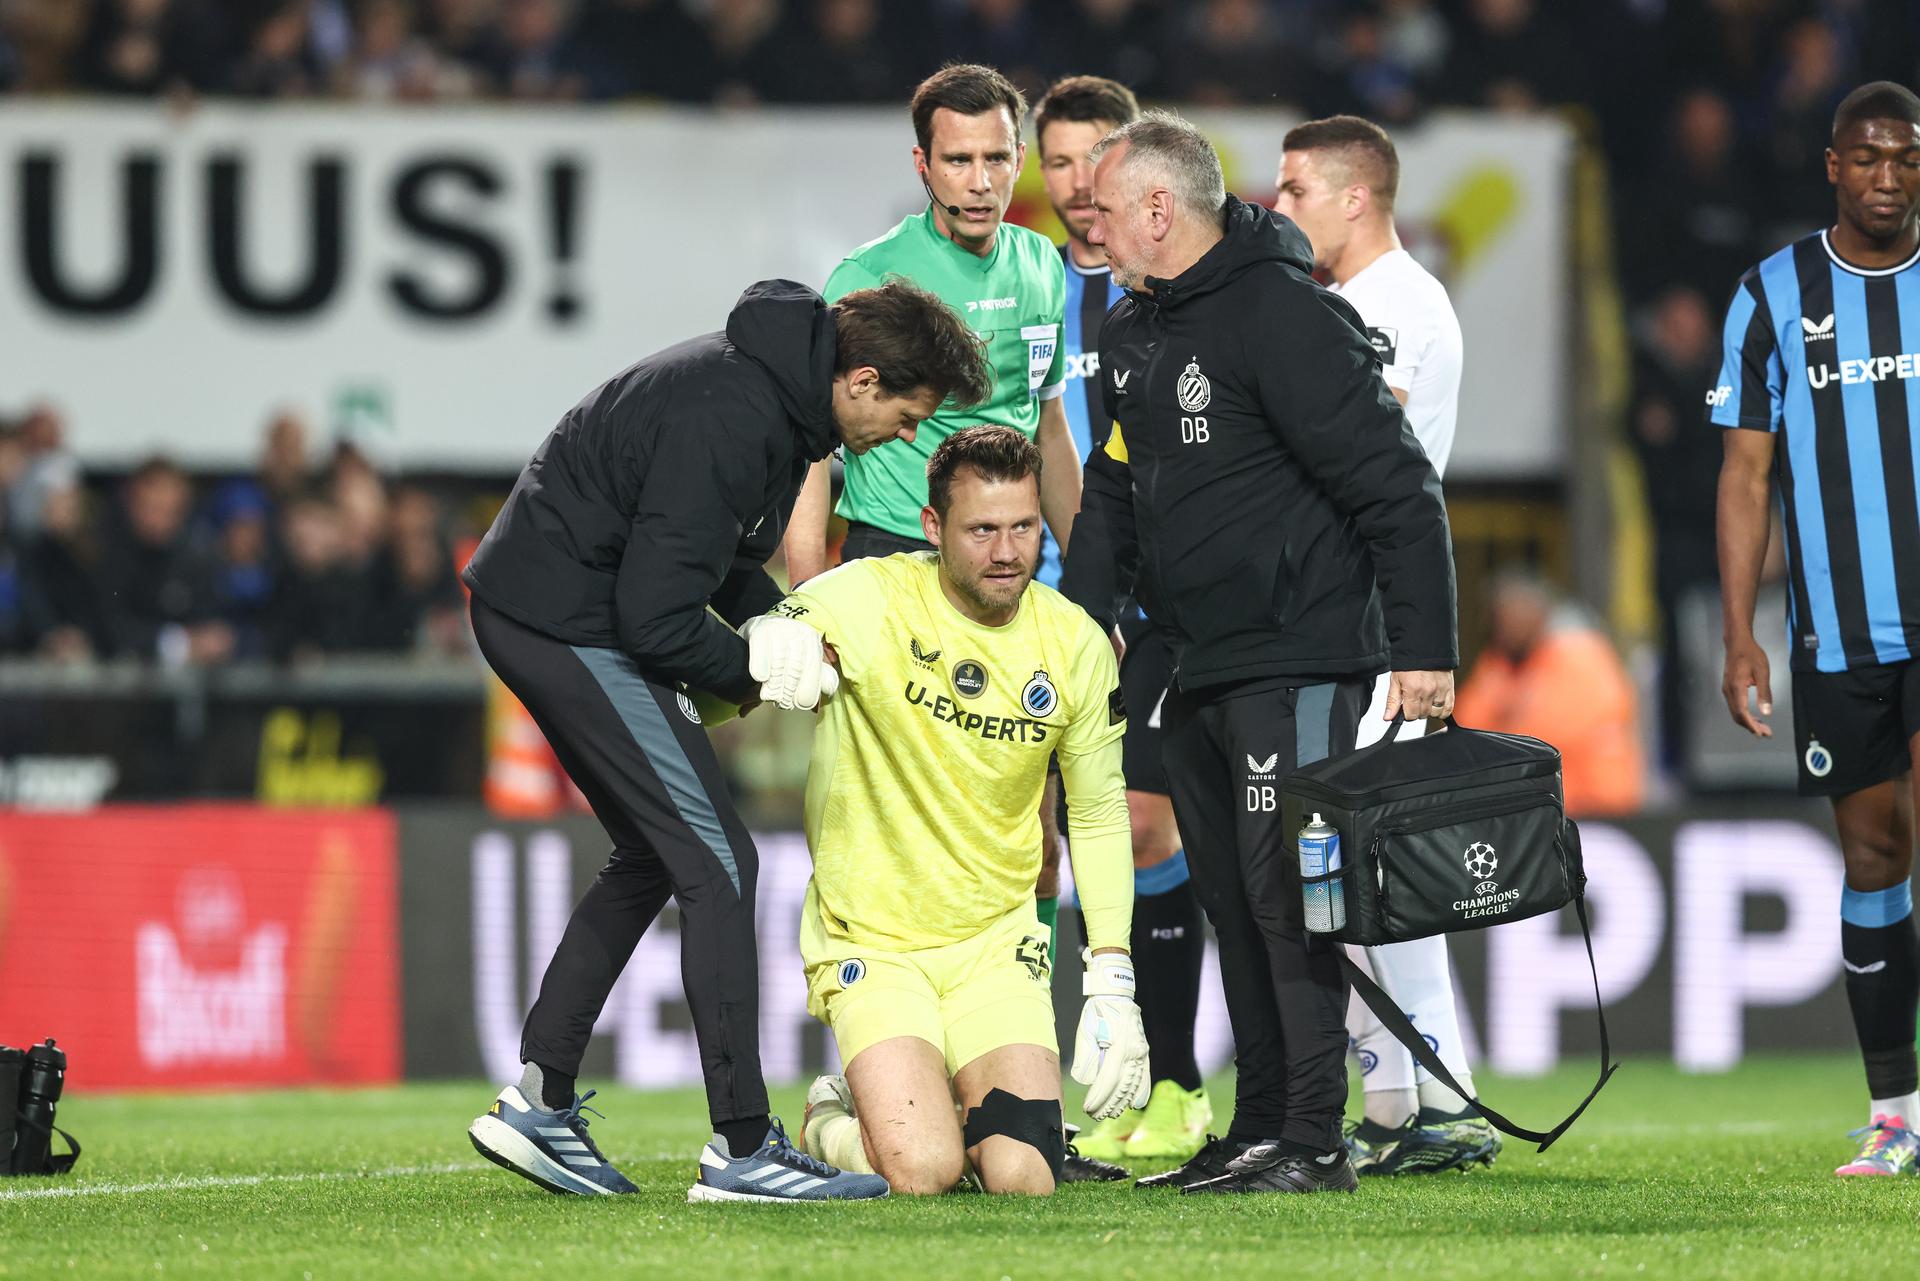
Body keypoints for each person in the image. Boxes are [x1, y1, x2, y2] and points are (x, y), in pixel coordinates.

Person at [461, 277, 990, 1202]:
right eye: (907, 417)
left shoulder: (776, 404)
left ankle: (540, 1097)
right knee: (721, 861)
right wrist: (760, 668)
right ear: (861, 381)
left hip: (549, 604)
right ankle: (742, 1146)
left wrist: (786, 622)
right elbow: (656, 618)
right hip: (562, 618)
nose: (907, 438)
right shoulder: (739, 414)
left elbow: (718, 566)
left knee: (657, 854)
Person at [1065, 111, 1457, 1195]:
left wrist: (1425, 648)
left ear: (1157, 208)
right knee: (1235, 898)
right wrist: (1084, 618)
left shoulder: (1285, 313)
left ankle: (1315, 1138)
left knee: (1290, 890)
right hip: (1194, 662)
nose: (1087, 224)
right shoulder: (1136, 328)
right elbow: (1111, 490)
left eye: (1103, 205)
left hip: (1299, 652)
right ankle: (1262, 1128)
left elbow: (1397, 485)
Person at [782, 60, 1085, 1063]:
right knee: (884, 844)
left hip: (1009, 578)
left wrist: (1086, 585)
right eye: (957, 159)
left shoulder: (1045, 271)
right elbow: (814, 456)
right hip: (889, 568)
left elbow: (1048, 436)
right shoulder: (864, 285)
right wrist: (803, 604)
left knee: (1031, 837)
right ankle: (870, 1073)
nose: (980, 179)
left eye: (998, 156)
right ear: (922, 163)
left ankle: (1018, 1078)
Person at [768, 426, 1147, 1196]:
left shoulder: (1074, 642)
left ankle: (930, 1105)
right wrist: (777, 645)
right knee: (924, 1170)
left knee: (1024, 1177)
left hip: (995, 944)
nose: (1007, 551)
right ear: (933, 526)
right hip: (874, 939)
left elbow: (1101, 812)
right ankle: (828, 1119)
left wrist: (1111, 973)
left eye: (1024, 527)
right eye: (982, 530)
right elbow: (770, 632)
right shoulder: (869, 596)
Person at [1273, 114, 1493, 1176]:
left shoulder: (1395, 308)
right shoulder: (1350, 304)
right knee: (1350, 866)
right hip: (1344, 617)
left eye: (1294, 189)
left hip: (1366, 621)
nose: (1279, 207)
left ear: (1355, 197)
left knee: (1368, 862)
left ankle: (1441, 1095)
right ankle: (1409, 1099)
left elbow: (1365, 454)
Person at [1713, 80, 1920, 1178]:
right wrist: (1742, 632)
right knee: (1873, 855)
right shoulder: (1772, 295)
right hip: (1839, 634)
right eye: (1870, 158)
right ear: (1834, 165)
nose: (1889, 177)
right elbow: (1745, 475)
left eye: (1908, 158)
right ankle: (1897, 1113)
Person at [1029, 73, 1212, 1170]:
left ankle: (1178, 1080)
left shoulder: (1174, 290)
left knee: (1147, 829)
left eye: (1094, 157)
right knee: (1037, 851)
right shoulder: (1027, 287)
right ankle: (1034, 1086)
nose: (1075, 182)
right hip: (1038, 605)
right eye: (1054, 162)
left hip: (1147, 607)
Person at [1454, 572, 1645, 816]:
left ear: (1536, 610)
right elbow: (1464, 729)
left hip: (1596, 806)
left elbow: (1548, 735)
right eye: (1498, 618)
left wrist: (1504, 721)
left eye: (1509, 616)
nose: (1502, 628)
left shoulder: (1579, 653)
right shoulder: (1504, 661)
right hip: (1544, 805)